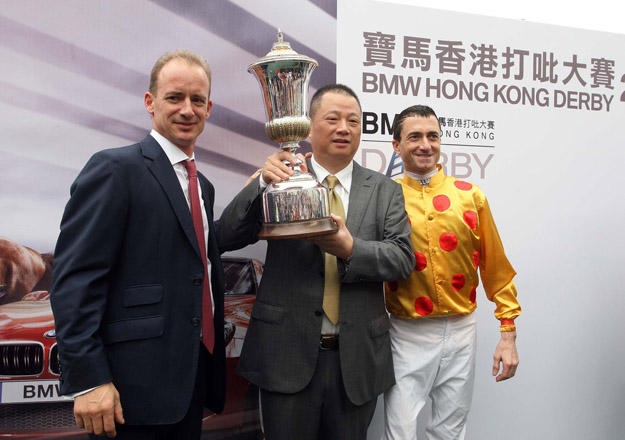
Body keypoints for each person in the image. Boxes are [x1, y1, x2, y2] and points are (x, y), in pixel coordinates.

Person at [217, 84, 414, 439]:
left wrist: (349, 248)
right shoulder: (283, 180)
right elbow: (226, 237)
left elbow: (402, 259)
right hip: (285, 355)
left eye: (353, 121)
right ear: (308, 126)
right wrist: (262, 181)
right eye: (333, 119)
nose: (344, 128)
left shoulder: (386, 191)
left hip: (357, 361)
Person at [50, 50, 226, 439]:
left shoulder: (204, 186)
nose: (187, 109)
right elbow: (75, 280)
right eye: (174, 97)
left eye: (197, 100)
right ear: (150, 102)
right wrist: (89, 380)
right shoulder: (115, 168)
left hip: (189, 378)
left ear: (209, 108)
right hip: (128, 389)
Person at [382, 105, 521, 440]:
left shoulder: (470, 195)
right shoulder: (384, 196)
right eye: (414, 136)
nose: (425, 145)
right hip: (406, 330)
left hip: (462, 330)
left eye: (433, 136)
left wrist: (508, 332)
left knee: (450, 430)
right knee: (399, 431)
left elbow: (496, 267)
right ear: (396, 146)